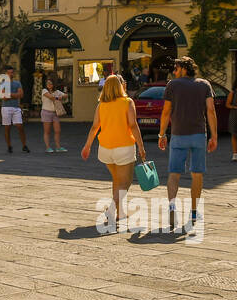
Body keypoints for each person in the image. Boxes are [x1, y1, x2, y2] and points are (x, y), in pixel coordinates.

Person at [157, 57, 217, 230]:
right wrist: (214, 136)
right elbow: (211, 111)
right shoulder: (204, 85)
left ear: (183, 68)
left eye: (176, 69)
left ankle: (172, 206)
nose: (174, 72)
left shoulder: (173, 85)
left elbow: (166, 111)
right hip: (198, 134)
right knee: (197, 174)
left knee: (174, 173)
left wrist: (162, 134)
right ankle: (193, 211)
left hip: (178, 134)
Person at [81, 75, 146, 233]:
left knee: (117, 180)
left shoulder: (101, 105)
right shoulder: (127, 102)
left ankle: (120, 213)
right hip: (124, 147)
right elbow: (133, 125)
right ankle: (111, 210)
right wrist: (141, 146)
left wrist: (87, 145)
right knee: (126, 182)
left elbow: (95, 127)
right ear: (120, 86)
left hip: (105, 148)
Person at [0, 64, 29, 153]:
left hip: (16, 108)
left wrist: (9, 94)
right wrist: (15, 95)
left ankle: (24, 145)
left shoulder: (17, 83)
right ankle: (9, 146)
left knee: (20, 127)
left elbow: (21, 95)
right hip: (6, 108)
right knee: (7, 128)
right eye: (9, 73)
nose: (11, 74)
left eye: (12, 73)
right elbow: (4, 97)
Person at [41, 77, 69, 153]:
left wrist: (61, 96)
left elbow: (66, 96)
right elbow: (51, 97)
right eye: (47, 83)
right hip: (46, 112)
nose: (49, 85)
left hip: (55, 113)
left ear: (53, 84)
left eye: (50, 83)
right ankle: (48, 147)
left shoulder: (57, 91)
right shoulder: (44, 90)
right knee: (47, 131)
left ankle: (58, 147)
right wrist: (59, 97)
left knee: (57, 130)